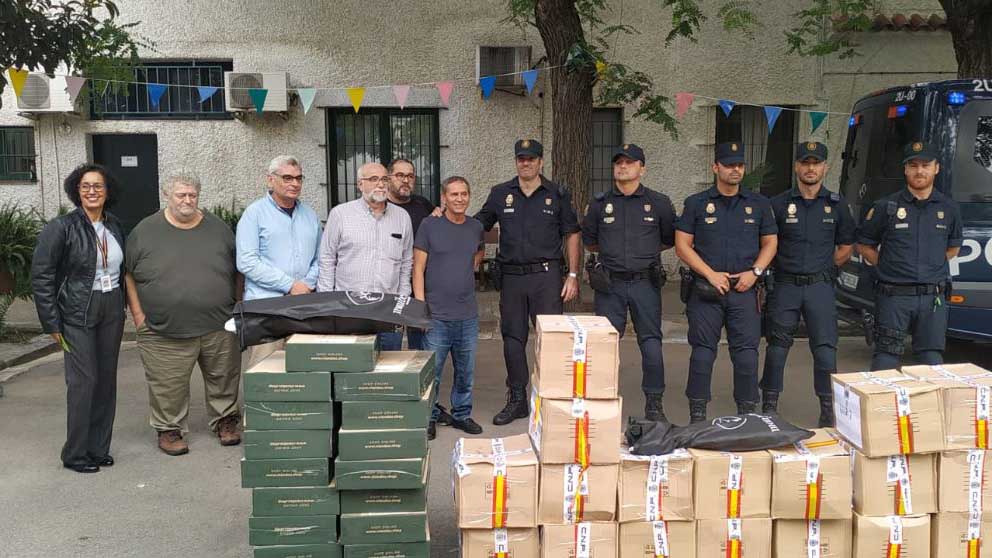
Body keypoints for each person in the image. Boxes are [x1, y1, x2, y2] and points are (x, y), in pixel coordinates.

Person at [125, 171, 243, 456]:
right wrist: (138, 316)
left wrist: (237, 306)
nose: (187, 200)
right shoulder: (145, 231)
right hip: (162, 328)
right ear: (167, 195)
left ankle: (225, 421)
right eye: (181, 195)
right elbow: (128, 274)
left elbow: (238, 270)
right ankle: (169, 429)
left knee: (224, 377)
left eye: (192, 195)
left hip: (218, 324)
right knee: (167, 384)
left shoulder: (218, 229)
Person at [475, 139, 581, 426]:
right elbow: (477, 224)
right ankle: (518, 399)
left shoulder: (557, 193)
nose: (526, 163)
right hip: (511, 278)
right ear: (516, 162)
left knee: (551, 340)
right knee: (513, 339)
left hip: (546, 276)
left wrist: (572, 274)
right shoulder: (500, 194)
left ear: (540, 162)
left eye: (531, 159)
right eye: (521, 159)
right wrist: (446, 217)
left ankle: (552, 399)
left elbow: (572, 233)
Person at [31, 164, 126, 473]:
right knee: (84, 382)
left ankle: (98, 449)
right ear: (76, 191)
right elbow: (42, 276)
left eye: (98, 186)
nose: (92, 191)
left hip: (111, 306)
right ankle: (75, 454)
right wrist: (51, 323)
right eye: (85, 186)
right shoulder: (61, 227)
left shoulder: (114, 226)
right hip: (76, 311)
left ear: (107, 191)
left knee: (106, 381)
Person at [675, 142, 778, 423]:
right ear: (715, 167)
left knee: (746, 356)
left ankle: (747, 414)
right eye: (729, 164)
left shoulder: (758, 204)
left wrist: (754, 272)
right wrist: (709, 273)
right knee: (702, 355)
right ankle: (697, 416)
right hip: (706, 291)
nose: (735, 170)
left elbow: (770, 243)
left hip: (745, 290)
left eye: (740, 165)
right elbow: (682, 245)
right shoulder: (697, 203)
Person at [758, 142, 856, 426]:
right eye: (805, 163)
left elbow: (846, 246)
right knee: (777, 346)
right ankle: (769, 405)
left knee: (825, 349)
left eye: (816, 163)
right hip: (785, 286)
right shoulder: (777, 204)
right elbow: (767, 243)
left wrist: (822, 269)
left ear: (825, 167)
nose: (810, 168)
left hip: (820, 287)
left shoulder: (837, 205)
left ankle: (828, 409)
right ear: (796, 166)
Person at [581, 144, 677, 421]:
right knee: (605, 345)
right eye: (619, 163)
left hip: (645, 282)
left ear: (642, 168)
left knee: (650, 343)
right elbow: (591, 240)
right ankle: (601, 398)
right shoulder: (599, 203)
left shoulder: (658, 203)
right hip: (610, 284)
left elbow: (669, 237)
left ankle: (654, 403)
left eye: (630, 163)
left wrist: (641, 256)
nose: (623, 167)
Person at [857, 141, 962, 370]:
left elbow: (953, 248)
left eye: (925, 165)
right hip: (894, 297)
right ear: (905, 169)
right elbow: (865, 245)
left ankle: (926, 408)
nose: (919, 171)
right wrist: (887, 266)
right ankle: (883, 407)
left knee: (931, 362)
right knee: (885, 359)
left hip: (932, 298)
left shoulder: (949, 208)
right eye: (913, 165)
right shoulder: (886, 206)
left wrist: (929, 264)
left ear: (936, 168)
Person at [413, 176, 485, 440]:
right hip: (437, 315)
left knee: (466, 372)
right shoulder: (430, 226)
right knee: (433, 373)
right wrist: (420, 306)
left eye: (464, 194)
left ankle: (462, 415)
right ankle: (428, 417)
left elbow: (478, 255)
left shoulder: (476, 227)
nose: (459, 199)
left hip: (467, 314)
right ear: (444, 197)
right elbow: (418, 267)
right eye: (453, 194)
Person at [317, 162, 413, 350]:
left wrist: (402, 300)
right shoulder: (340, 214)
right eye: (373, 179)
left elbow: (406, 262)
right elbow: (327, 259)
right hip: (349, 309)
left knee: (388, 371)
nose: (381, 184)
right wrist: (328, 304)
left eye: (384, 179)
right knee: (351, 370)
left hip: (388, 310)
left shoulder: (402, 217)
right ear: (360, 185)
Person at [236, 156, 322, 365]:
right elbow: (247, 261)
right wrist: (289, 284)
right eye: (287, 178)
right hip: (266, 309)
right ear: (270, 180)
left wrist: (306, 285)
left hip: (303, 306)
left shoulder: (310, 215)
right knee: (265, 372)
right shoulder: (254, 214)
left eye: (299, 178)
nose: (295, 184)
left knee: (304, 370)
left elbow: (321, 258)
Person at [387, 158, 436, 351]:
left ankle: (417, 375)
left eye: (410, 176)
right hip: (392, 281)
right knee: (391, 339)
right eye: (400, 175)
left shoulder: (422, 204)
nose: (405, 180)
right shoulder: (383, 207)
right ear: (389, 178)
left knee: (419, 338)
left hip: (420, 281)